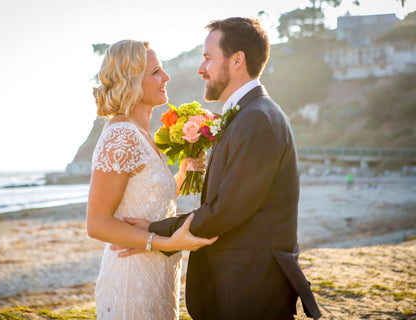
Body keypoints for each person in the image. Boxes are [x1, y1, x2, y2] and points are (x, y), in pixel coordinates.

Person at [118, 18, 322, 319]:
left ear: (237, 60)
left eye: (208, 59)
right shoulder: (249, 115)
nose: (201, 69)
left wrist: (154, 232)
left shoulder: (258, 120)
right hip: (243, 283)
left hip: (251, 287)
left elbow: (226, 210)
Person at [86, 39, 217, 320]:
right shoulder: (121, 136)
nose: (166, 77)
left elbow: (148, 202)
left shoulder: (142, 134)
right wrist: (167, 243)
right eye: (156, 72)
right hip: (131, 280)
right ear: (132, 81)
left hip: (159, 274)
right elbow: (97, 224)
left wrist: (182, 174)